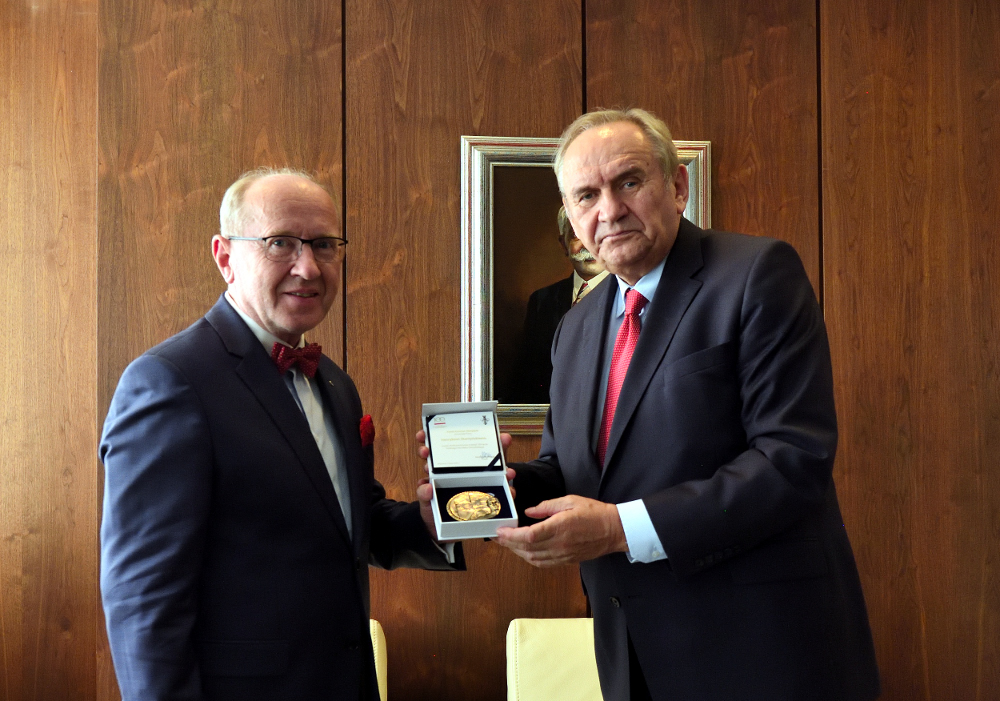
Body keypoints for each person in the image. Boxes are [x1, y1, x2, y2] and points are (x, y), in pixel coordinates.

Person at [496, 109, 880, 701]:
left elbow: (790, 460)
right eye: (586, 195)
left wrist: (618, 529)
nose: (609, 210)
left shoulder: (757, 274)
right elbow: (570, 471)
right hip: (634, 658)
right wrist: (493, 486)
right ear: (571, 215)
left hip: (764, 655)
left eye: (629, 181)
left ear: (676, 186)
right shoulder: (572, 328)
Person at [100, 168, 462, 701]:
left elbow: (353, 530)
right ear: (225, 257)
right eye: (280, 244)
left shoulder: (335, 384)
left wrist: (438, 519)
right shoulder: (170, 381)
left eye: (323, 244)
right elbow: (141, 599)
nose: (308, 266)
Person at [514, 206, 609, 403]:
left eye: (597, 234)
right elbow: (528, 376)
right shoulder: (542, 300)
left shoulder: (633, 296)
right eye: (576, 235)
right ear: (563, 245)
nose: (588, 245)